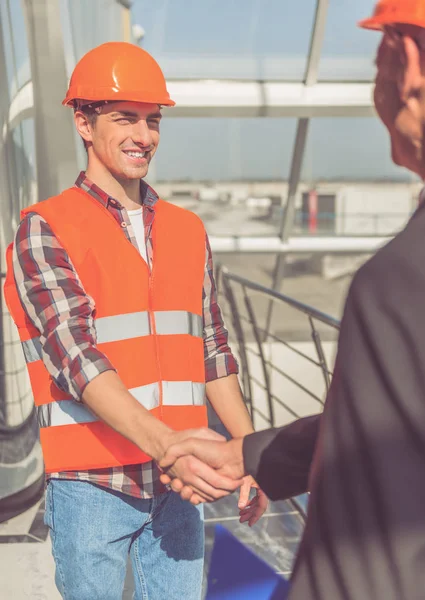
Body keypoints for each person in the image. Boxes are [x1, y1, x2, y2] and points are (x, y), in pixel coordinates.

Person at [159, 1, 425, 597]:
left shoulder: (402, 280)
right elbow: (389, 427)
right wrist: (250, 455)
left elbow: (374, 541)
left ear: (405, 61)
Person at [4, 42, 267, 600]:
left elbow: (212, 350)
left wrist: (251, 453)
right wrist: (171, 445)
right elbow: (76, 359)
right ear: (83, 121)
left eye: (152, 121)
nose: (142, 136)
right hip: (93, 487)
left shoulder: (187, 229)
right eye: (125, 118)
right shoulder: (44, 229)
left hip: (178, 488)